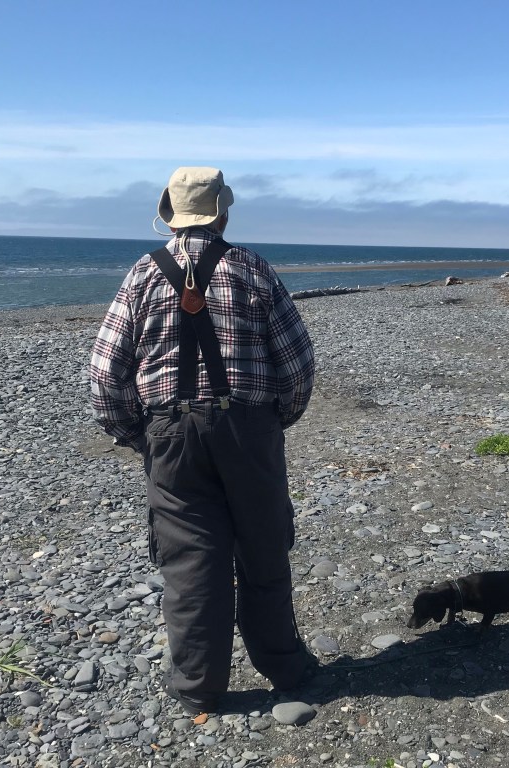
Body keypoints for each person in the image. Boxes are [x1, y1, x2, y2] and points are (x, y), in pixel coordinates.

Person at [89, 167, 317, 715]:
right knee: (263, 550)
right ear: (223, 213)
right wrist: (275, 421)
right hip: (249, 426)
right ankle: (286, 668)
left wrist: (137, 435)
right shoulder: (252, 268)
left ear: (170, 215)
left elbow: (104, 374)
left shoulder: (142, 273)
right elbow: (297, 362)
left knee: (189, 563)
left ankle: (198, 687)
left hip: (171, 432)